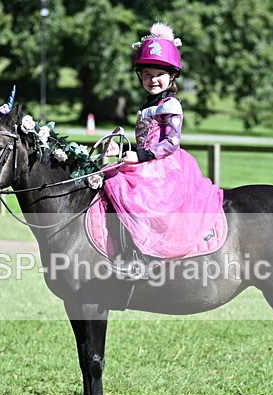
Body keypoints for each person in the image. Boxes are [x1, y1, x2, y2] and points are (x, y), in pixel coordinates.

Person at [102, 22, 225, 279]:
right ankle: (118, 247)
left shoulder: (170, 105)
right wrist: (122, 149)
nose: (152, 79)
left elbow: (171, 143)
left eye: (159, 74)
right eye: (147, 74)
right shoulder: (149, 105)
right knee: (110, 181)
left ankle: (144, 257)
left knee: (138, 199)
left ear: (171, 77)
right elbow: (146, 141)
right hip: (147, 160)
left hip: (166, 165)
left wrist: (141, 156)